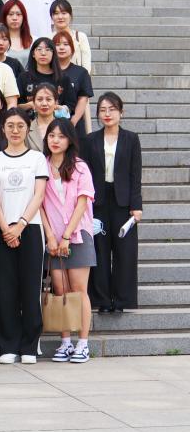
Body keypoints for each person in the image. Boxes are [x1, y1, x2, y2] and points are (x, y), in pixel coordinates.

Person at [0, 108, 48, 364]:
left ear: (27, 129)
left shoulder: (37, 158)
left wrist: (20, 224)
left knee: (30, 288)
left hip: (31, 228)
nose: (15, 130)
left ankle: (29, 346)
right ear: (3, 128)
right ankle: (7, 345)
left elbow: (39, 195)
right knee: (5, 288)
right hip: (2, 228)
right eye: (10, 125)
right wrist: (6, 228)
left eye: (20, 126)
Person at [41, 118, 95, 364]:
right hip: (53, 238)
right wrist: (51, 237)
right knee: (60, 289)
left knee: (79, 290)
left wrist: (66, 236)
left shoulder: (80, 167)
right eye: (52, 135)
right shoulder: (41, 165)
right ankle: (65, 342)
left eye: (61, 136)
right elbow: (39, 204)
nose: (55, 140)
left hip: (78, 234)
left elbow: (83, 202)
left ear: (70, 140)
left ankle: (83, 343)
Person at [88, 92, 142, 313]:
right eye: (102, 110)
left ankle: (121, 300)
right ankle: (101, 299)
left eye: (112, 109)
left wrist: (136, 206)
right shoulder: (90, 140)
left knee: (125, 251)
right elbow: (85, 173)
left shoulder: (131, 139)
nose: (107, 114)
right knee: (99, 250)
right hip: (98, 200)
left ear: (121, 112)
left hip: (123, 201)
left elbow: (135, 174)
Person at [16, 37, 76, 115]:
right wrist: (29, 105)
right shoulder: (23, 77)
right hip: (29, 121)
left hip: (57, 121)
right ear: (33, 54)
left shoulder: (63, 78)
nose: (43, 53)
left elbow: (71, 105)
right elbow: (15, 105)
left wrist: (57, 107)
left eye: (48, 50)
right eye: (39, 49)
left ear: (53, 54)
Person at [53, 31, 94, 137]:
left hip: (74, 123)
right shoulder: (47, 71)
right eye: (57, 45)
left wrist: (73, 121)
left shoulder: (81, 72)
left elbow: (83, 99)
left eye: (66, 44)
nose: (61, 48)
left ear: (72, 49)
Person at [50, 0, 92, 71]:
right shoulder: (48, 38)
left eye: (64, 13)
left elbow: (86, 65)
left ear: (70, 15)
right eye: (56, 13)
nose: (60, 17)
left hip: (77, 77)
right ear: (51, 17)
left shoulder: (80, 37)